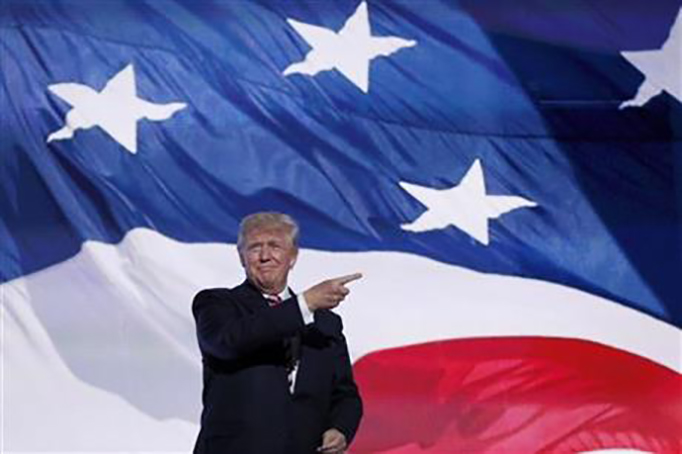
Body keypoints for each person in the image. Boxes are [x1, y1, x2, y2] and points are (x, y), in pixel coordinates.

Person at [192, 212, 363, 454]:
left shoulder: (326, 323)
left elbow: (345, 394)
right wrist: (304, 304)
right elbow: (228, 341)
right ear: (242, 257)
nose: (264, 256)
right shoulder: (217, 304)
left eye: (274, 246)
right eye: (254, 248)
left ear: (292, 257)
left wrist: (340, 428)